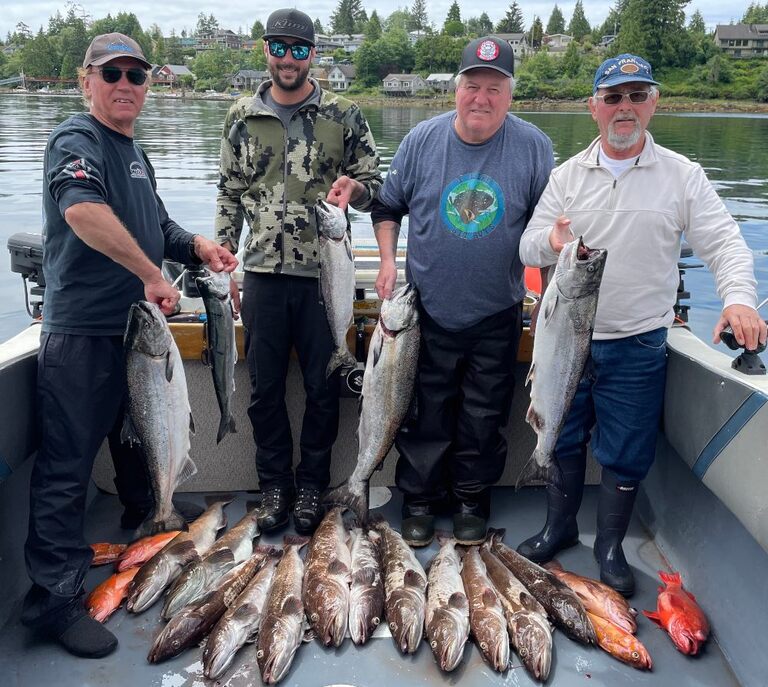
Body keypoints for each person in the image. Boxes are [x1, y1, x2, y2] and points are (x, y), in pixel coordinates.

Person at [517, 53, 767, 596]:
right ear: (594, 108)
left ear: (654, 103)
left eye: (637, 95)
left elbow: (725, 244)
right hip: (565, 341)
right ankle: (558, 528)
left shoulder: (682, 175)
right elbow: (528, 246)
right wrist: (553, 241)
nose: (624, 107)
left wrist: (739, 300)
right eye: (613, 97)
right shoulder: (566, 176)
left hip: (638, 342)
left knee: (626, 450)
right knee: (559, 436)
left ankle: (609, 546)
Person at [22, 33, 238, 658]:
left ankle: (148, 512)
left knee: (135, 435)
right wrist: (149, 274)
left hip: (135, 332)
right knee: (66, 465)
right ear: (86, 81)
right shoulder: (76, 140)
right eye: (111, 73)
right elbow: (82, 212)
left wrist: (196, 246)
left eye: (136, 75)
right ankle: (53, 599)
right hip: (85, 332)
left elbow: (157, 225)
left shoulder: (134, 153)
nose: (125, 85)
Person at [372, 36, 555, 547]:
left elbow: (548, 230)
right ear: (456, 89)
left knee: (484, 414)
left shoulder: (535, 147)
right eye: (472, 85)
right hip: (426, 310)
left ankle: (472, 499)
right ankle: (419, 500)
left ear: (510, 95)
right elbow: (387, 206)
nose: (481, 98)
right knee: (424, 411)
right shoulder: (421, 141)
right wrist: (387, 261)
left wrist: (549, 295)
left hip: (497, 309)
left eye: (494, 88)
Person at [215, 9, 382, 536]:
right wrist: (223, 255)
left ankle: (312, 483)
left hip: (324, 278)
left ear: (313, 55)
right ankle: (274, 485)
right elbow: (229, 192)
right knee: (264, 390)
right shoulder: (240, 116)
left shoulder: (344, 113)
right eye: (280, 47)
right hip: (262, 275)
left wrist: (356, 189)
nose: (289, 59)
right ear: (265, 50)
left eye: (300, 49)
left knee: (323, 387)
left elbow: (375, 184)